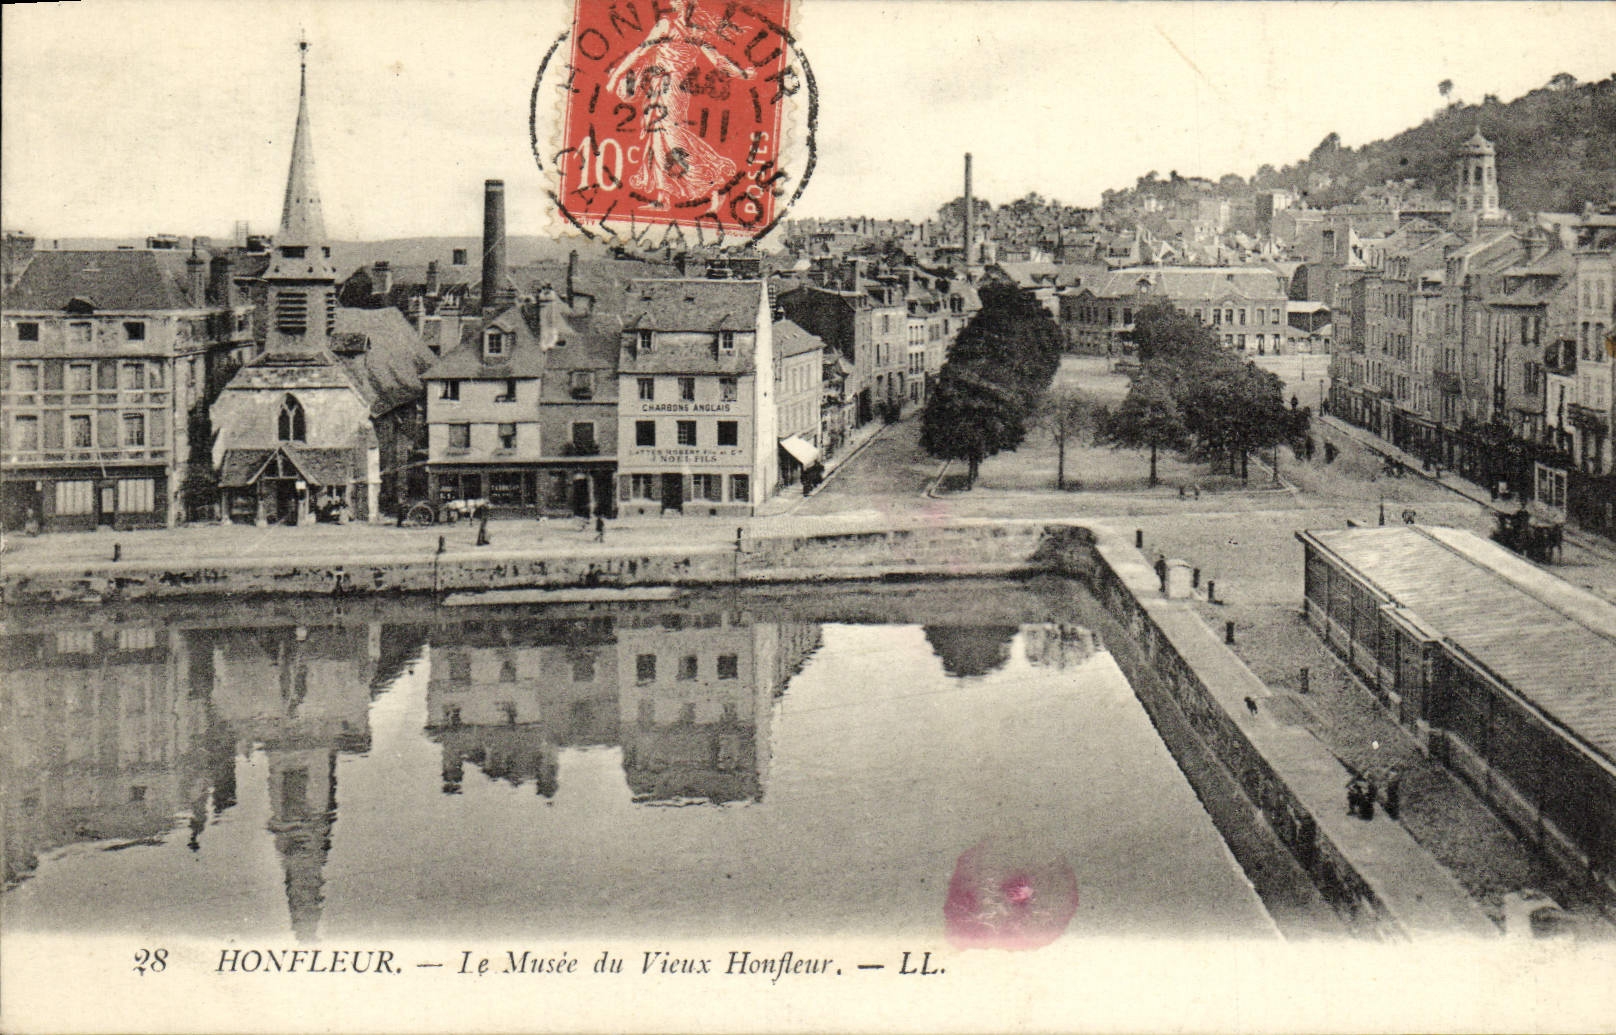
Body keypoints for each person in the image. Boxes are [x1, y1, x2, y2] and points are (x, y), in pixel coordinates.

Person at [604, 0, 749, 209]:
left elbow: (639, 53)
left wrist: (614, 78)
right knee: (658, 138)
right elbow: (718, 61)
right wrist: (742, 72)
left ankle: (716, 184)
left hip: (670, 89)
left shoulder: (670, 26)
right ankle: (663, 198)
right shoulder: (692, 30)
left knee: (673, 140)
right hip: (667, 88)